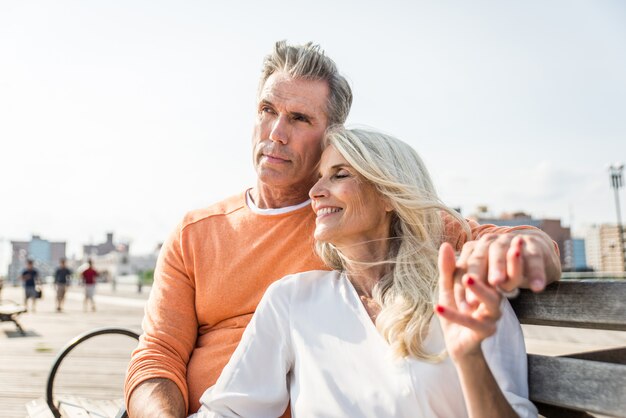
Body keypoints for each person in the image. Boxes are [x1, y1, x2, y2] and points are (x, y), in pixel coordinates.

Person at [125, 41, 561, 417]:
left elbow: (487, 241)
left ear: (331, 136)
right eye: (266, 110)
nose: (275, 132)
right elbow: (157, 355)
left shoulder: (363, 216)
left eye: (299, 118)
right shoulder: (197, 233)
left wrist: (529, 246)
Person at [191, 127, 537, 417]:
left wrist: (470, 357)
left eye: (339, 175)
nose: (315, 191)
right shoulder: (291, 299)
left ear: (388, 195)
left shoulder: (464, 298)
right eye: (319, 178)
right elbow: (230, 411)